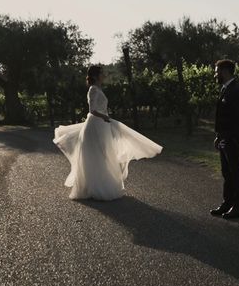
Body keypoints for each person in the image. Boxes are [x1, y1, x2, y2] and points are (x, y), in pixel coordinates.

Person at [53, 65, 163, 200]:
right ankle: (95, 188)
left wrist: (106, 118)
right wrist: (105, 117)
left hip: (102, 125)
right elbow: (92, 110)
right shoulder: (93, 89)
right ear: (95, 76)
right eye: (101, 73)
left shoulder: (98, 89)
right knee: (97, 155)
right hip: (95, 125)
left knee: (104, 154)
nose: (104, 75)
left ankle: (102, 184)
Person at [210, 59, 239, 219]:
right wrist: (218, 136)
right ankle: (228, 203)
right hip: (224, 139)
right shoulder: (225, 89)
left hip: (232, 140)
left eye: (217, 71)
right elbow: (224, 117)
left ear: (225, 71)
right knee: (227, 173)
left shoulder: (236, 91)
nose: (215, 74)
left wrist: (231, 138)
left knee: (236, 173)